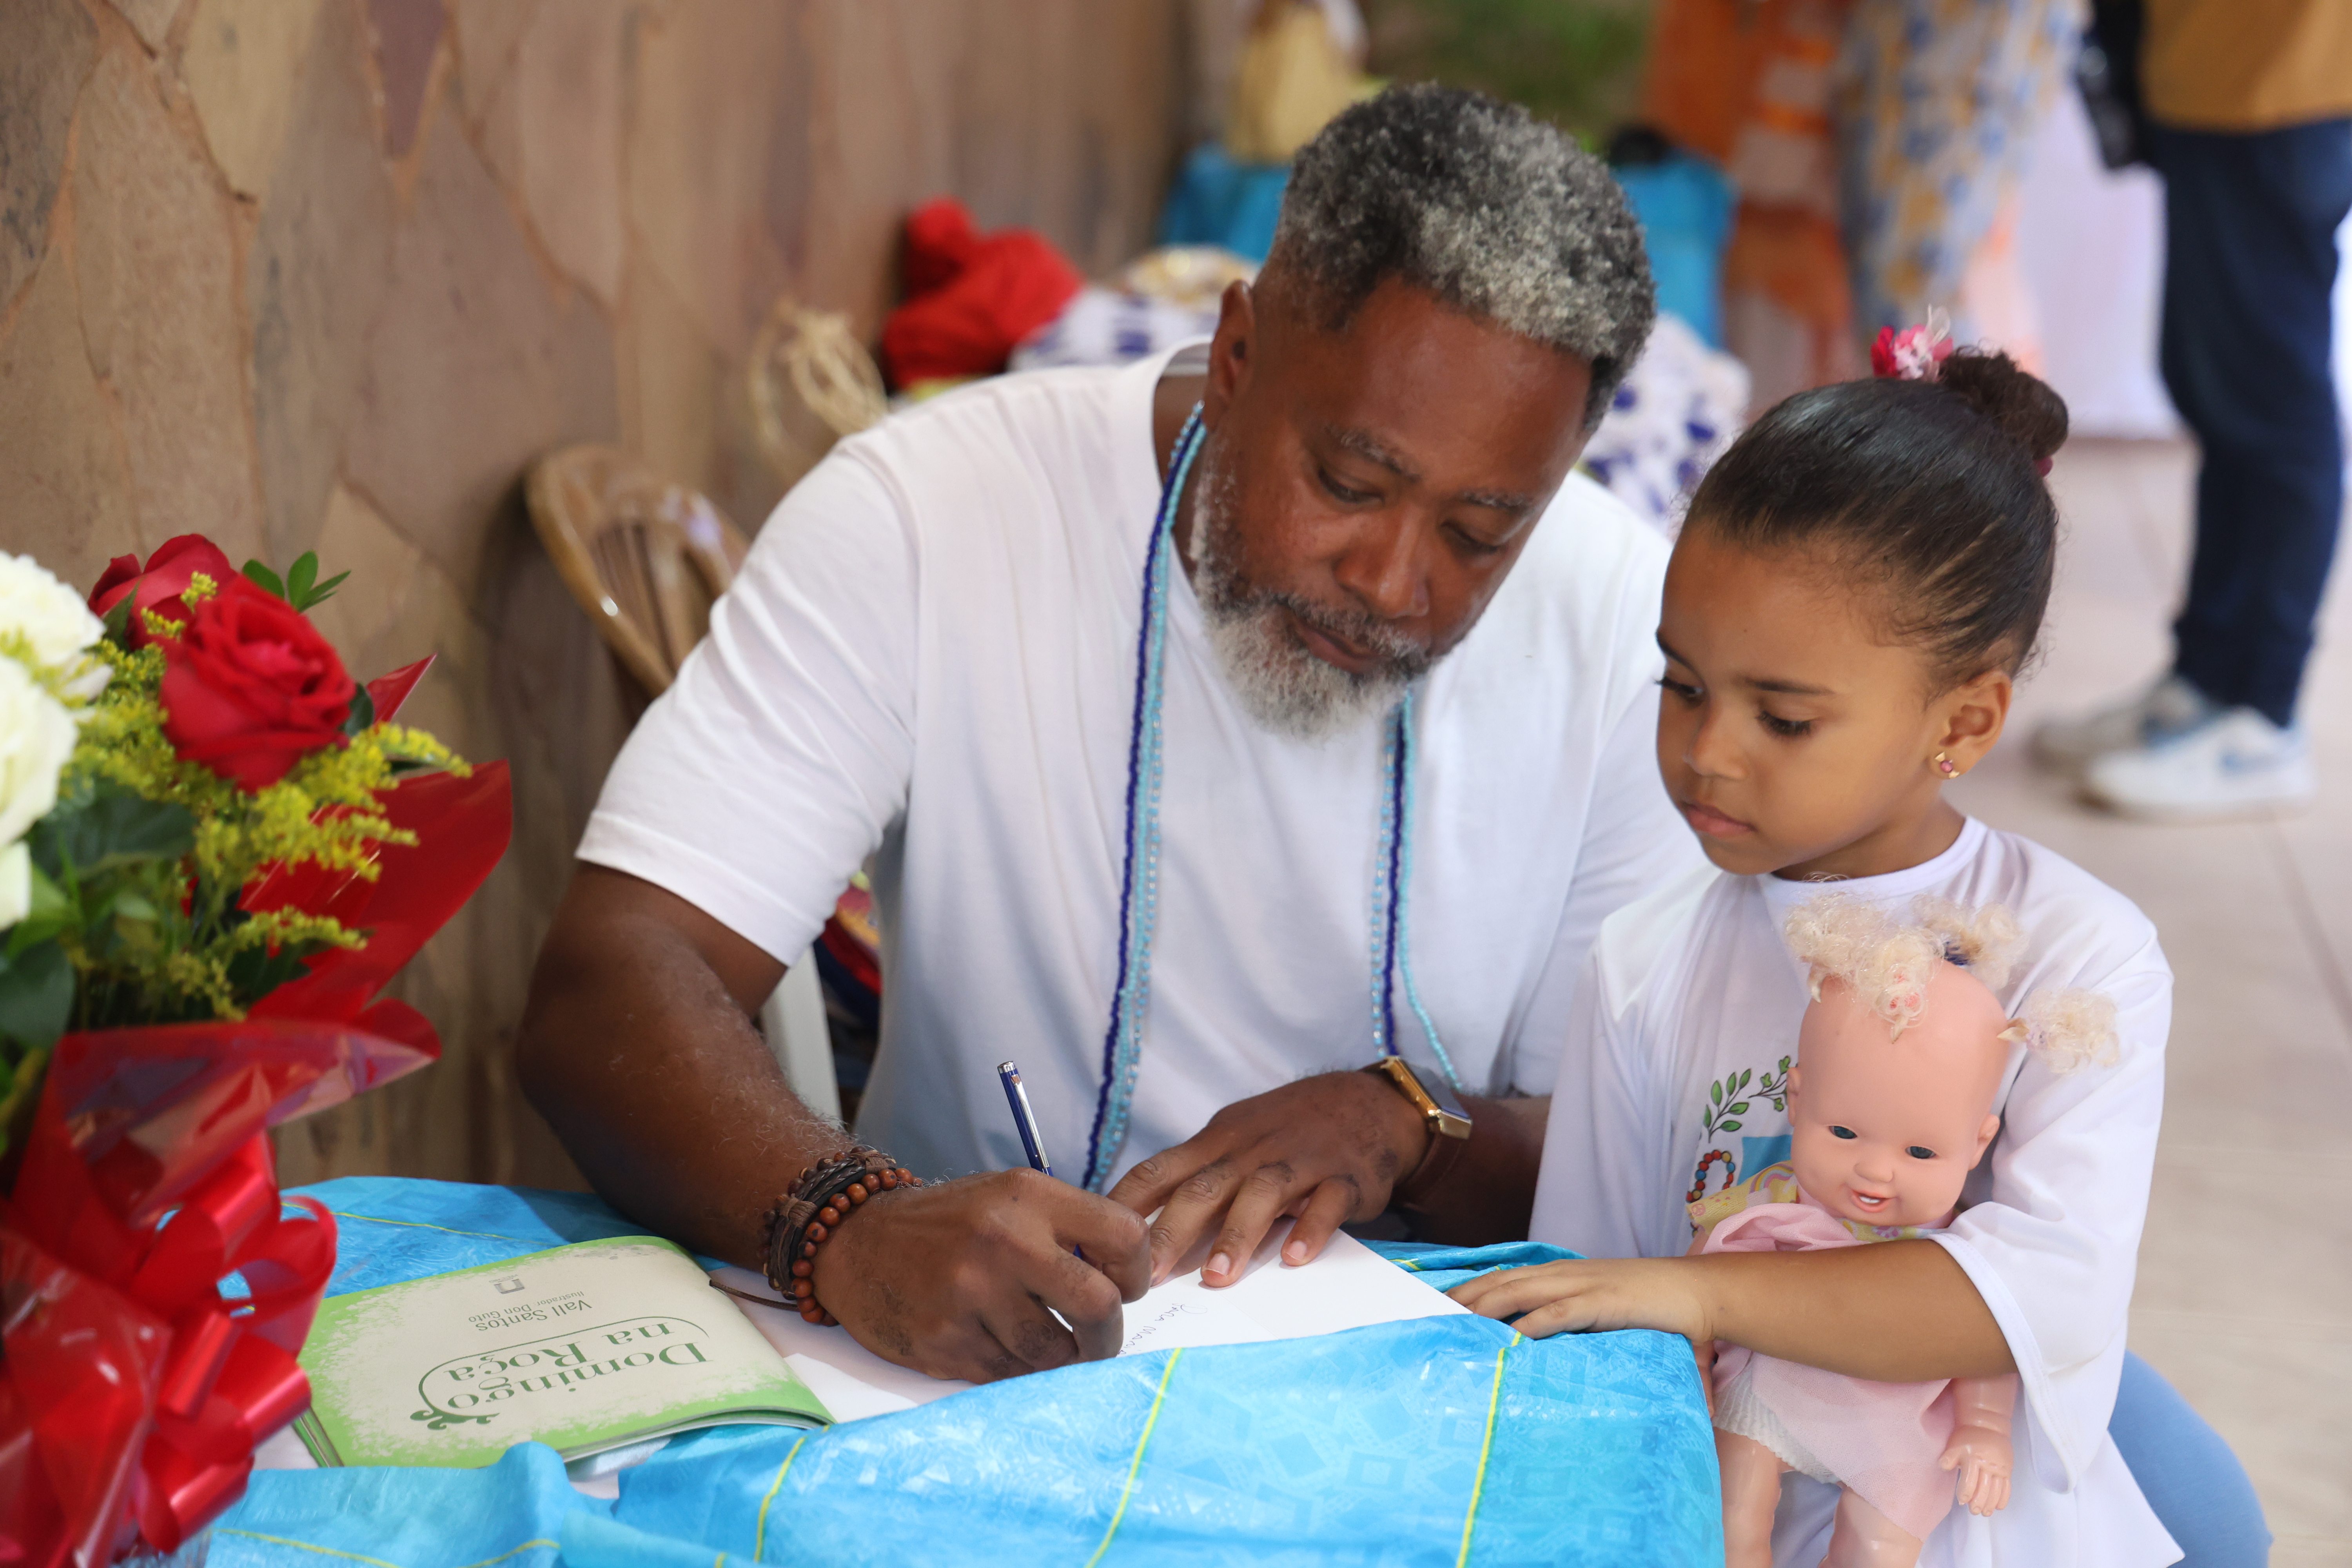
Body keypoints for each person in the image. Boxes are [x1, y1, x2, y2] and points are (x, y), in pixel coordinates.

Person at [518, 84, 1695, 1385]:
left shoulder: (1641, 646)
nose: (1394, 581)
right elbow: (613, 977)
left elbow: (1632, 1175)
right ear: (1238, 356)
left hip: (1402, 1401)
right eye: (1350, 486)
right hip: (955, 1369)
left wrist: (1410, 1126)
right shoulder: (931, 513)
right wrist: (845, 1224)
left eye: (1482, 535)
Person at [1451, 345, 2271, 1562]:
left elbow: (2043, 1297)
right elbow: (1601, 1295)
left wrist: (1702, 1290)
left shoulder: (2076, 955)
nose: (1708, 753)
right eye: (1683, 686)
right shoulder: (1644, 959)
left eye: (1784, 717)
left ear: (1964, 722)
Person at [2034, 0, 2352, 817]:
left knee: (2273, 406)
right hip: (2212, 74)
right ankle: (2205, 681)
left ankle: (2262, 721)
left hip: (2284, 83)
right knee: (2220, 394)